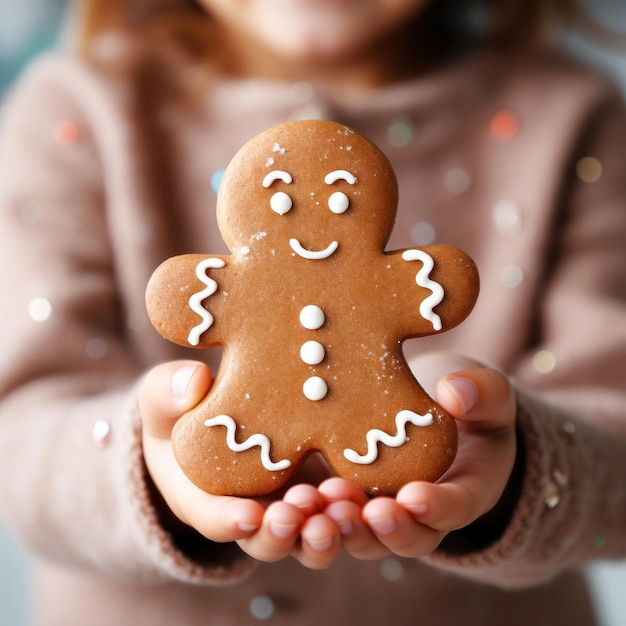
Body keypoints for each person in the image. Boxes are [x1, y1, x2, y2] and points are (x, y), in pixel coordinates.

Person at [0, 0, 625, 624]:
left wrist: (520, 469)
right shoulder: (75, 113)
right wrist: (145, 469)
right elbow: (19, 439)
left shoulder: (576, 120)